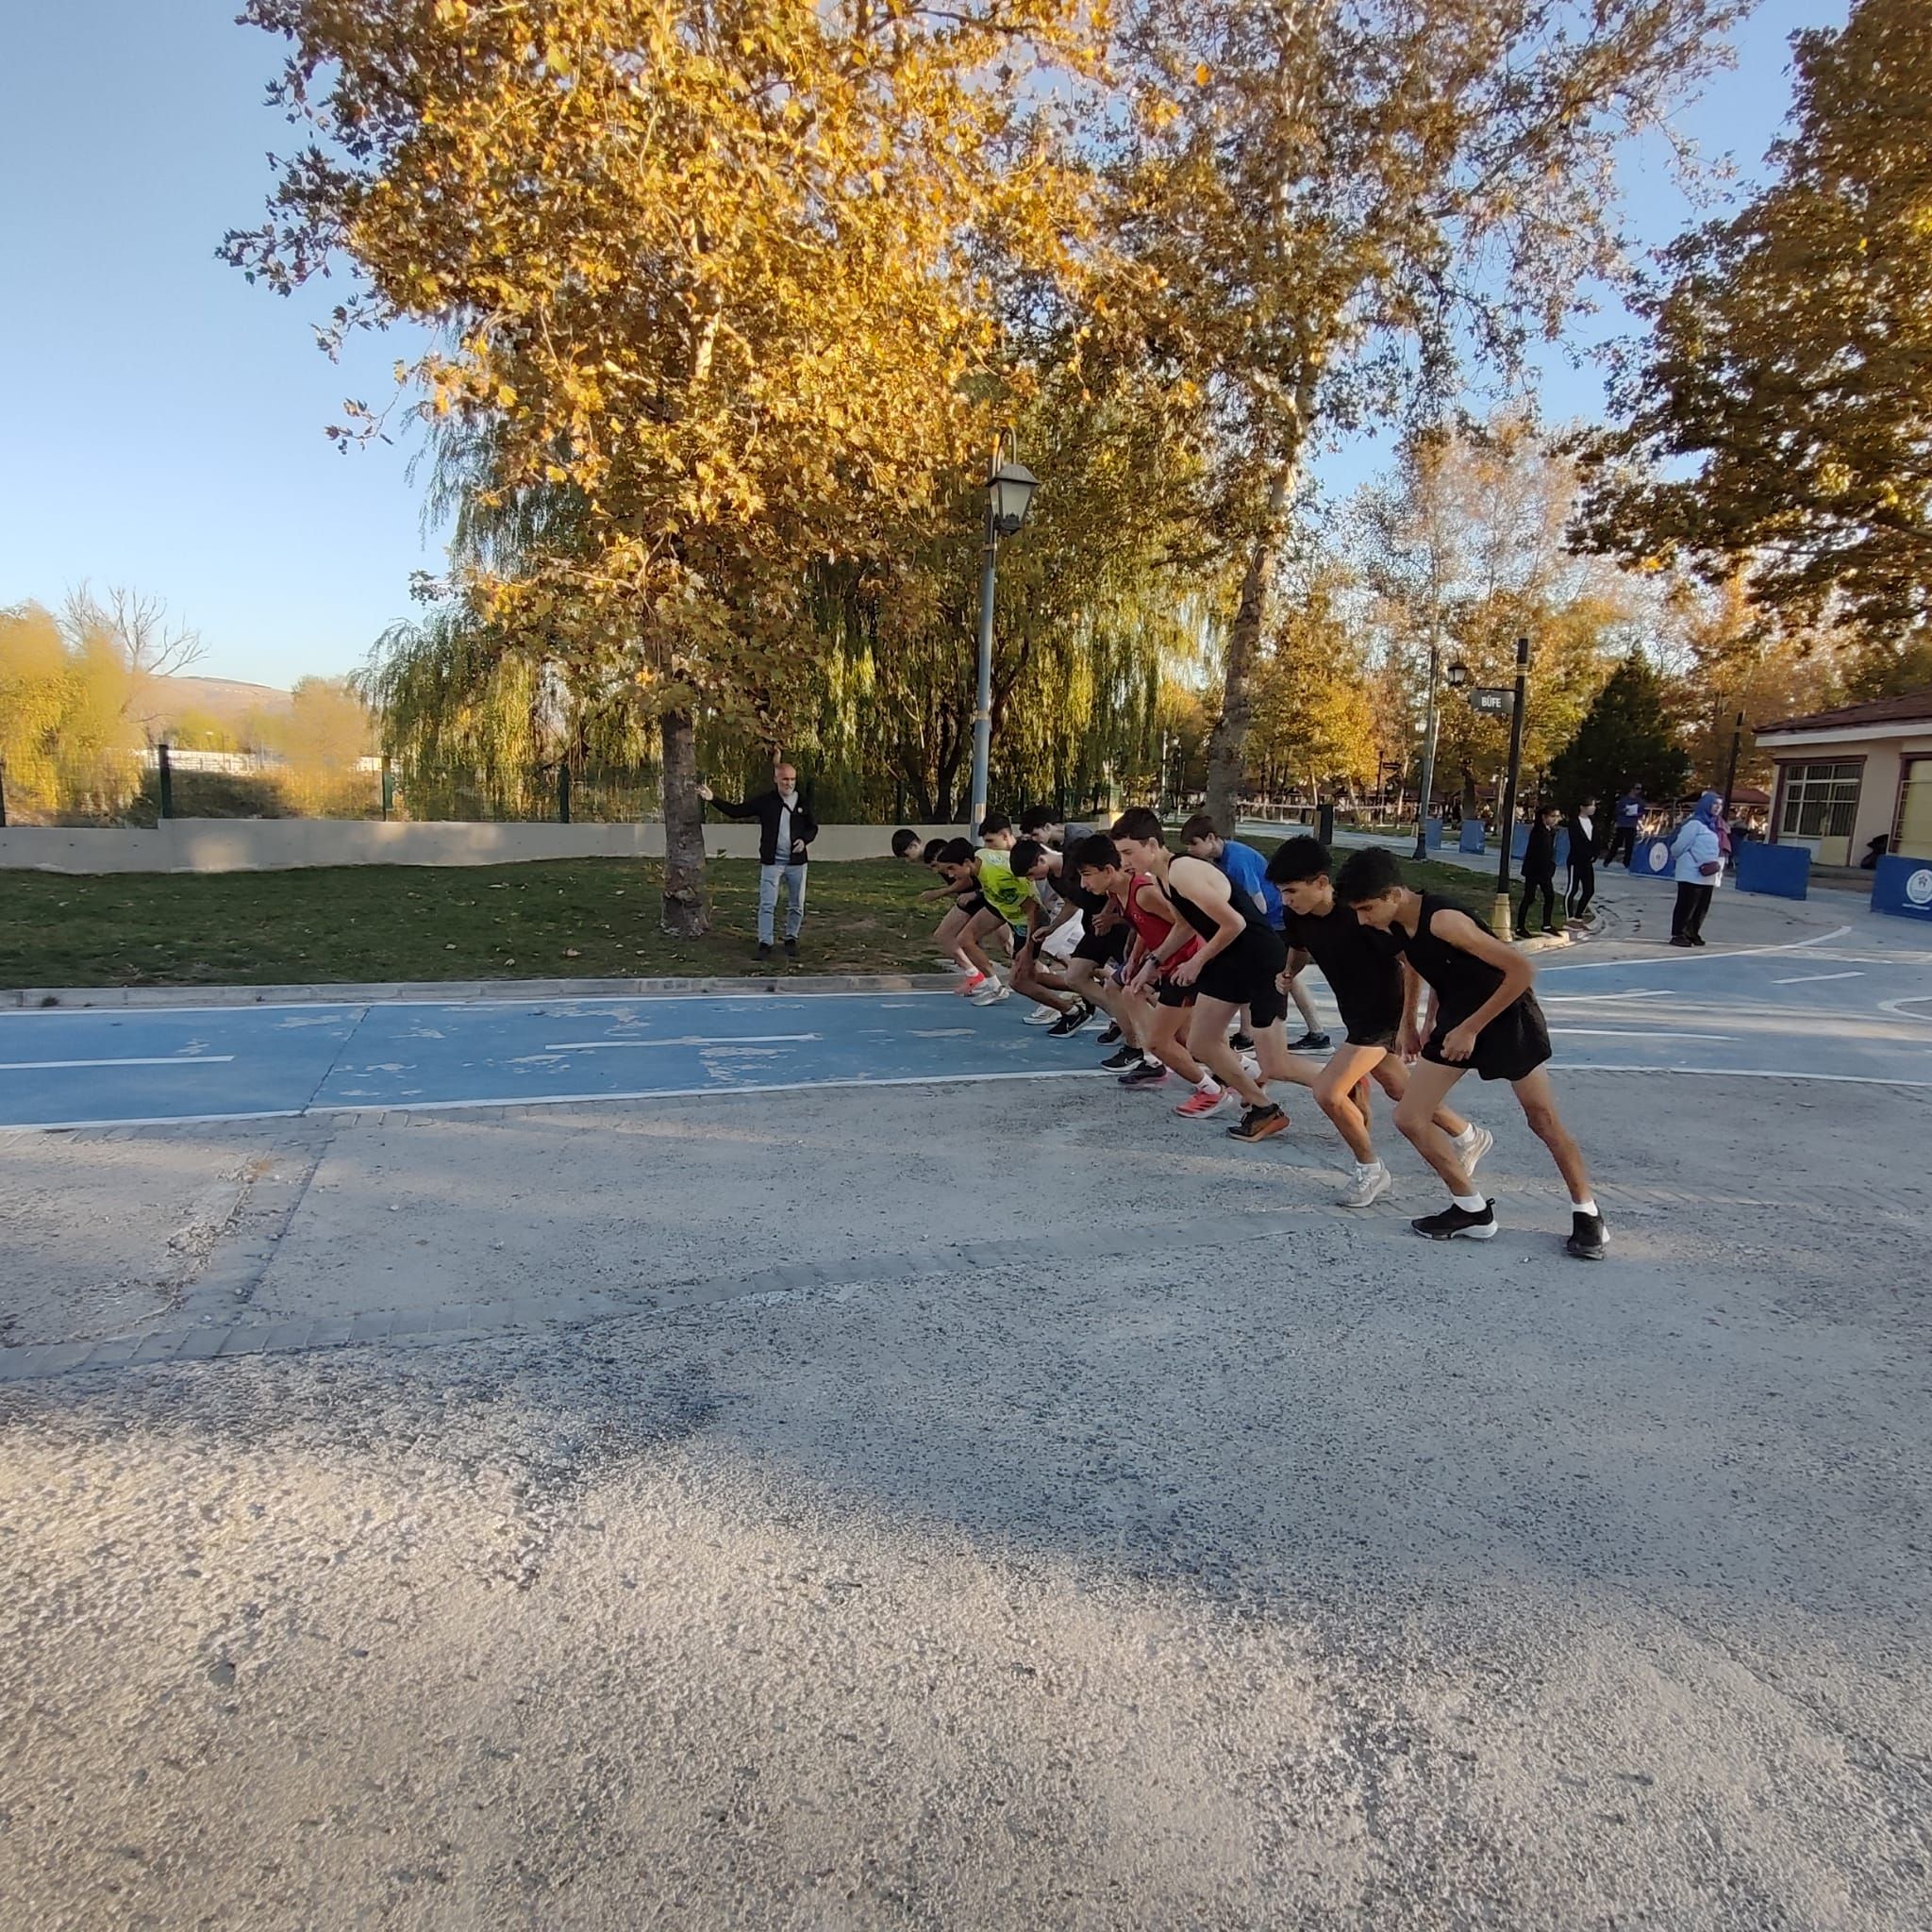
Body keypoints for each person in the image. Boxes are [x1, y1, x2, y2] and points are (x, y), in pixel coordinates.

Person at [1336, 844, 1607, 1258]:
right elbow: (1413, 964)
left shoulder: (1445, 921)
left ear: (1395, 894)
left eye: (1367, 908)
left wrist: (1471, 1028)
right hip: (1458, 1019)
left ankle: (1587, 1214)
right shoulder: (1392, 925)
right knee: (1409, 1117)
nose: (1362, 919)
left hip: (1506, 1015)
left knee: (1542, 1120)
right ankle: (1471, 1209)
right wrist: (1414, 1023)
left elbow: (1520, 971)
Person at [1267, 837, 1492, 1207]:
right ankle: (1468, 1135)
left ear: (1322, 883)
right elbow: (1299, 947)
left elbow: (1412, 963)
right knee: (1402, 1090)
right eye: (1281, 892)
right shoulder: (1297, 916)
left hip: (1384, 1015)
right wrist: (1289, 972)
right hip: (1355, 1014)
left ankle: (1370, 1170)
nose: (1286, 900)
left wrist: (1409, 1024)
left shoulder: (1360, 911)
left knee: (1328, 1091)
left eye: (1292, 890)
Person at [1111, 808, 1303, 1142]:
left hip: (1258, 957)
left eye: (1129, 852)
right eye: (1120, 854)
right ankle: (1263, 1109)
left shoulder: (1183, 871)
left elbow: (1235, 923)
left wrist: (1196, 962)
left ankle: (1340, 1083)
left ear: (1153, 844)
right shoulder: (1161, 877)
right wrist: (1152, 962)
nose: (1124, 861)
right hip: (1228, 959)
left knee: (1277, 1064)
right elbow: (1186, 924)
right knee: (1201, 1043)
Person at [1071, 830, 1226, 1109]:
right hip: (1170, 964)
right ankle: (1233, 1078)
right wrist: (1134, 960)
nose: (1083, 885)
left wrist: (1157, 962)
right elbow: (1145, 927)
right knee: (1131, 994)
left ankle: (1215, 1088)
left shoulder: (1145, 892)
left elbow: (1186, 924)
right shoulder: (1117, 892)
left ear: (1108, 870)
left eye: (1087, 875)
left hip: (1188, 964)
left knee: (1181, 1041)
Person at [1179, 813, 1330, 1049]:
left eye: (1194, 844)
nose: (1190, 850)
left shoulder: (1236, 859)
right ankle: (1304, 1032)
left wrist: (1254, 936)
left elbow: (1257, 903)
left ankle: (1313, 1033)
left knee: (1279, 975)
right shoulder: (1220, 860)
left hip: (1274, 920)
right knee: (1284, 975)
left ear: (1211, 838)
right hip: (1272, 920)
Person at [697, 761, 818, 959]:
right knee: (767, 904)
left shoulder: (803, 802)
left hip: (797, 863)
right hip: (772, 863)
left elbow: (812, 827)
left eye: (792, 779)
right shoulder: (766, 802)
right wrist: (712, 799)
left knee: (796, 904)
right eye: (785, 779)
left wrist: (804, 841)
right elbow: (736, 811)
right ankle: (765, 943)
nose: (789, 783)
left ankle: (791, 939)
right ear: (776, 779)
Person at [1668, 791, 1727, 948]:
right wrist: (1690, 861)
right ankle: (1678, 933)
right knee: (1687, 904)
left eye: (1720, 805)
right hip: (1690, 872)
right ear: (1706, 804)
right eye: (1714, 804)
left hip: (1708, 873)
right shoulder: (1695, 824)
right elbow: (1679, 847)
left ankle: (1692, 932)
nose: (1717, 808)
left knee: (1702, 906)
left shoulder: (1714, 825)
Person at [1518, 802, 1562, 937]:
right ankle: (1520, 927)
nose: (1555, 819)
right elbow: (1540, 853)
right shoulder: (1539, 832)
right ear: (1544, 817)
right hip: (1535, 870)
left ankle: (1546, 924)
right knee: (1529, 897)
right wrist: (1548, 869)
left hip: (1543, 871)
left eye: (1557, 816)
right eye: (1553, 816)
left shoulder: (1549, 831)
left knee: (1549, 896)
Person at [1565, 797, 1598, 923]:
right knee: (1572, 889)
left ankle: (1579, 915)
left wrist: (1594, 852)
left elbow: (1594, 839)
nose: (1593, 808)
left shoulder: (1593, 822)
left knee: (1589, 890)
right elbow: (1576, 841)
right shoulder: (1574, 823)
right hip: (1576, 860)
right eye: (1591, 805)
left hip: (1587, 861)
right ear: (1582, 807)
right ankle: (1570, 917)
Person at [1605, 786, 1644, 868]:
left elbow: (1642, 812)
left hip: (1632, 825)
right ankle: (1608, 860)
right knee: (1616, 843)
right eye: (1637, 788)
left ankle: (1627, 863)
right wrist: (1623, 811)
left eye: (1640, 789)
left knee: (1629, 845)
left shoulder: (1639, 801)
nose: (1638, 791)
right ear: (1632, 789)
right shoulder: (1624, 800)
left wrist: (1637, 814)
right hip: (1622, 825)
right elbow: (1617, 811)